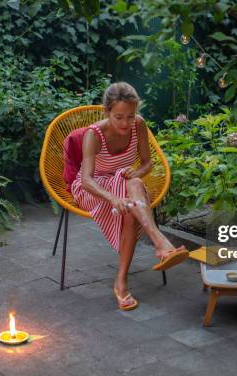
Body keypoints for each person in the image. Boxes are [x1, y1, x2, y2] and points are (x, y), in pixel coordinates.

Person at [71, 82, 188, 311]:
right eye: (119, 117)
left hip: (124, 184)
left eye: (131, 116)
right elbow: (86, 180)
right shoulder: (93, 135)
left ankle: (121, 281)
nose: (126, 123)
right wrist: (113, 198)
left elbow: (147, 163)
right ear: (106, 112)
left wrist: (137, 173)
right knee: (131, 190)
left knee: (132, 189)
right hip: (94, 190)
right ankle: (160, 244)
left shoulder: (139, 126)